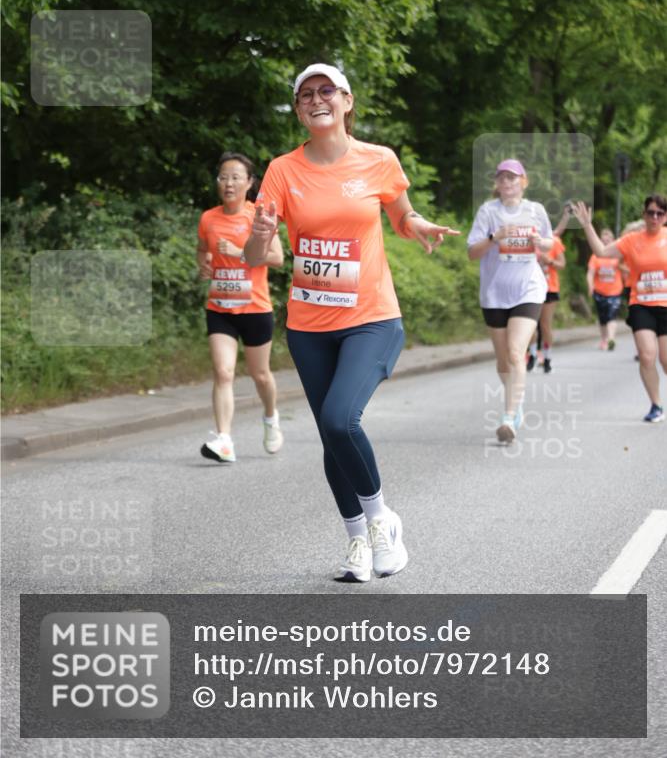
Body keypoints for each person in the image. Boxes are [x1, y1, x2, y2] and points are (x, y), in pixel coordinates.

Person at [245, 63, 460, 582]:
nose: (316, 100)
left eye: (326, 91)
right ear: (298, 110)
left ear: (346, 100)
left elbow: (401, 217)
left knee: (342, 418)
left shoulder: (378, 160)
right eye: (305, 95)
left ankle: (383, 519)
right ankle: (357, 541)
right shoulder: (281, 170)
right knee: (330, 435)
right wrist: (261, 230)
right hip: (309, 325)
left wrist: (419, 224)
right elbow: (257, 253)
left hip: (372, 319)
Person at [197, 151, 285, 463]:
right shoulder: (208, 217)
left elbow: (277, 258)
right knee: (223, 372)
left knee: (260, 375)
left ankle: (271, 417)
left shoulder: (258, 216)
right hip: (220, 306)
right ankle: (224, 440)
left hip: (255, 308)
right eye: (223, 177)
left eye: (236, 177)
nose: (228, 183)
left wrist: (239, 252)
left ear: (249, 183)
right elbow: (202, 250)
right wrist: (204, 264)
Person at [467, 159, 554, 444]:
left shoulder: (535, 210)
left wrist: (542, 243)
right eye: (502, 178)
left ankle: (508, 417)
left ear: (523, 181)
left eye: (512, 178)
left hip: (528, 289)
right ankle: (516, 400)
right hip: (494, 293)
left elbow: (549, 241)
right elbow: (472, 253)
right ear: (497, 184)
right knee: (503, 359)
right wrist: (495, 237)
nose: (506, 183)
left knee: (517, 353)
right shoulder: (488, 212)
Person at [573, 195, 667, 422]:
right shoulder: (631, 240)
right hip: (641, 305)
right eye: (651, 212)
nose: (654, 217)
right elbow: (602, 252)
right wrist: (587, 225)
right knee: (646, 356)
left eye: (660, 213)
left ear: (665, 217)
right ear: (644, 215)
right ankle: (656, 405)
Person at [527, 207, 568, 372]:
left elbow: (562, 264)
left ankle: (547, 356)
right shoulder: (528, 238)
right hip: (530, 286)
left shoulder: (554, 241)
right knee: (530, 324)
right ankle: (531, 355)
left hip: (550, 288)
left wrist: (549, 261)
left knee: (544, 324)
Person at [586, 227, 624, 350]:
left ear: (613, 240)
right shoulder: (595, 256)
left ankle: (611, 339)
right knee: (603, 317)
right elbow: (590, 273)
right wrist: (590, 285)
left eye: (608, 240)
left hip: (615, 291)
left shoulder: (618, 255)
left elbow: (626, 270)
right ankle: (604, 339)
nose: (605, 242)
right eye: (603, 240)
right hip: (600, 291)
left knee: (612, 315)